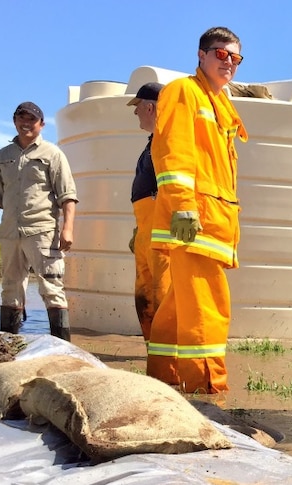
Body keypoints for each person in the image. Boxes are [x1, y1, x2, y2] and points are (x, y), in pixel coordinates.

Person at [147, 26, 248, 393]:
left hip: (214, 223)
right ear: (201, 55)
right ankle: (208, 395)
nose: (229, 62)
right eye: (221, 54)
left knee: (178, 311)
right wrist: (184, 208)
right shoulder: (183, 92)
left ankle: (163, 384)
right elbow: (174, 153)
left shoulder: (220, 104)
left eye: (235, 57)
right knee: (207, 312)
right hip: (195, 223)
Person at [0, 102, 78, 341]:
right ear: (14, 122)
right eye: (21, 118)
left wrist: (68, 228)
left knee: (52, 288)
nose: (26, 123)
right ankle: (8, 346)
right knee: (10, 289)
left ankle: (62, 349)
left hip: (42, 232)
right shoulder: (3, 156)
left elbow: (68, 195)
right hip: (10, 234)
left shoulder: (53, 154)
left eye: (32, 119)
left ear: (41, 124)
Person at [126, 82, 171, 344]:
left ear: (151, 107)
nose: (135, 113)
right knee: (144, 290)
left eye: (138, 107)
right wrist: (140, 230)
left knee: (161, 288)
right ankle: (152, 348)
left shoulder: (168, 140)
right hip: (146, 226)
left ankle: (166, 350)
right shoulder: (153, 141)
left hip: (160, 225)